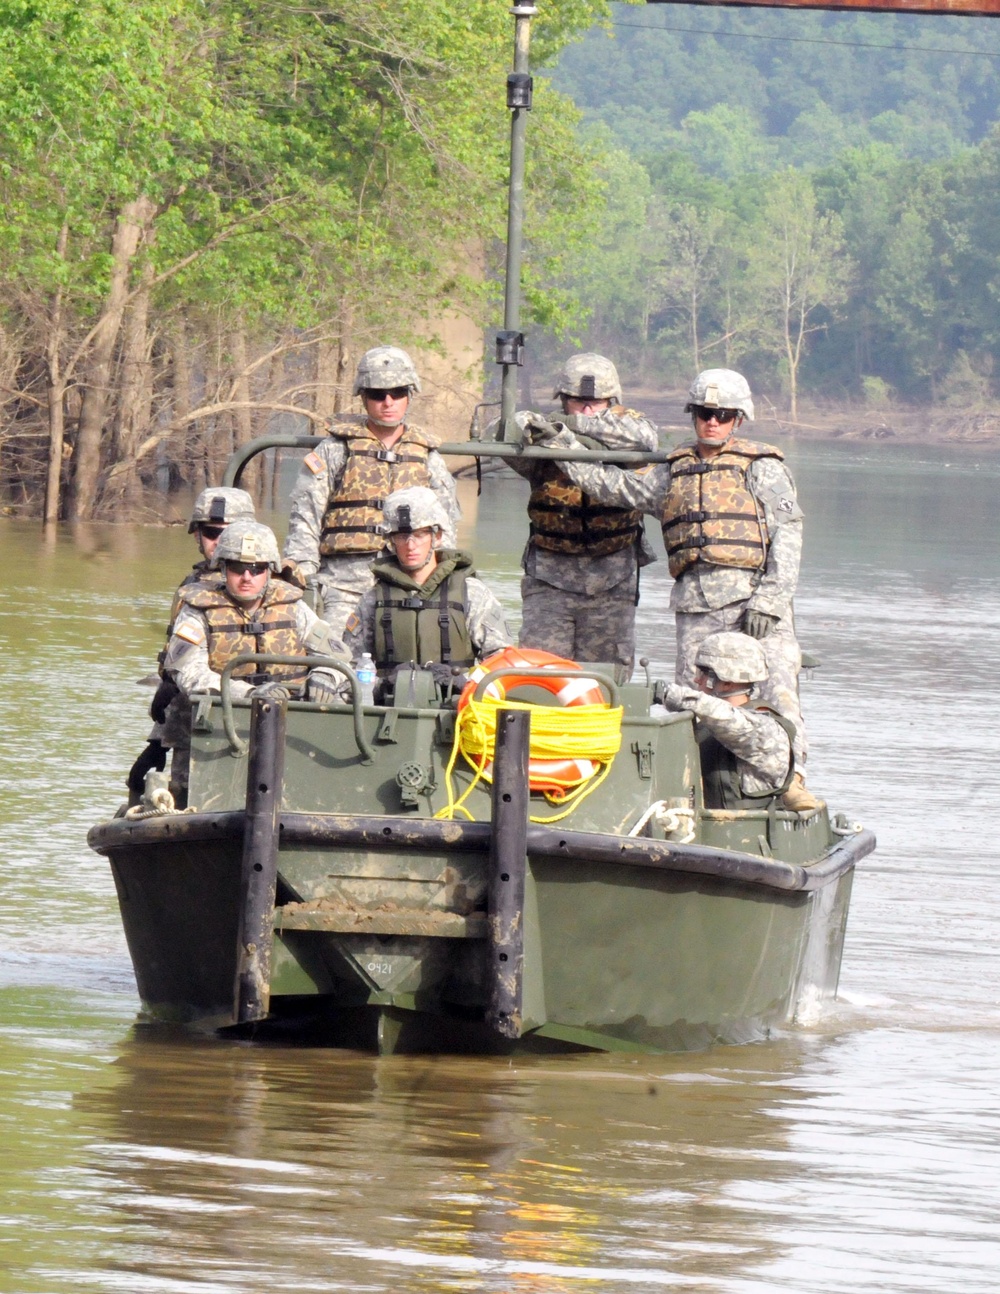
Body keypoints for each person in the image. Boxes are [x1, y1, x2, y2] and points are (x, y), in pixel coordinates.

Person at [528, 367, 817, 813]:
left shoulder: (762, 469)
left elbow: (788, 534)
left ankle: (792, 781)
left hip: (753, 601)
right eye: (704, 413)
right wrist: (563, 447)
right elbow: (616, 486)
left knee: (777, 692)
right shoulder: (673, 471)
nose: (712, 422)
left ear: (738, 418)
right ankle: (694, 791)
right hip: (696, 605)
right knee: (693, 702)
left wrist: (772, 600)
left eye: (721, 414)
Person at [282, 345, 461, 640]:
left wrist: (442, 578)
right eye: (378, 394)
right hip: (345, 584)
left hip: (409, 582)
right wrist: (303, 572)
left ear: (409, 394)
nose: (388, 402)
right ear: (363, 397)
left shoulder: (427, 456)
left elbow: (446, 525)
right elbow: (306, 514)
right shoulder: (335, 450)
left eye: (397, 392)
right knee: (335, 663)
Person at [162, 520, 345, 802]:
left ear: (269, 571)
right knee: (186, 796)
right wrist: (247, 693)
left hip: (290, 727)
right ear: (223, 568)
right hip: (217, 726)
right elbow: (188, 671)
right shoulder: (197, 610)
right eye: (238, 568)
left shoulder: (293, 608)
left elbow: (337, 654)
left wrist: (325, 676)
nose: (247, 577)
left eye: (257, 569)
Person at [507, 353, 658, 677]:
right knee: (538, 675)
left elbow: (647, 438)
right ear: (563, 399)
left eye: (597, 402)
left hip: (612, 576)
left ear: (612, 400)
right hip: (550, 577)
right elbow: (506, 431)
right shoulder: (544, 430)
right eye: (578, 402)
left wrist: (575, 427)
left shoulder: (631, 427)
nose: (588, 409)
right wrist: (532, 428)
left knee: (607, 679)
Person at [126, 486, 256, 801]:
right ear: (196, 534)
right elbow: (181, 669)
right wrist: (158, 741)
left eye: (228, 533)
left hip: (253, 726)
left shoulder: (269, 589)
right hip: (194, 729)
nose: (220, 542)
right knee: (182, 801)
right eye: (211, 533)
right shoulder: (192, 589)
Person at [343, 486, 512, 702]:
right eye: (402, 536)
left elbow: (501, 661)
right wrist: (380, 686)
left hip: (457, 708)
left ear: (437, 536)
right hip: (390, 709)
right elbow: (349, 665)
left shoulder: (470, 593)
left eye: (420, 535)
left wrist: (465, 684)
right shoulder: (373, 599)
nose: (410, 545)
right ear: (392, 541)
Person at [659, 631, 798, 811]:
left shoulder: (766, 731)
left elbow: (730, 721)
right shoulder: (707, 725)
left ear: (726, 683)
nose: (696, 679)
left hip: (746, 834)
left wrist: (673, 695)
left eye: (703, 673)